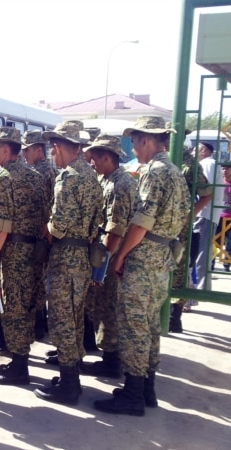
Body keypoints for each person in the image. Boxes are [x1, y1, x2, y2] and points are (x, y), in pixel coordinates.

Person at [94, 116, 189, 416]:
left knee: (134, 327)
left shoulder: (154, 172)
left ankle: (133, 394)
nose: (132, 148)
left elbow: (142, 222)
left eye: (134, 142)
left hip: (144, 259)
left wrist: (120, 256)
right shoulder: (174, 172)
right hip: (162, 259)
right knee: (149, 327)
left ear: (146, 140)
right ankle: (147, 389)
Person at [33, 121, 102, 406]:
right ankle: (69, 378)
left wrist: (45, 233)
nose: (51, 151)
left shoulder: (69, 177)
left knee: (61, 320)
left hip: (65, 258)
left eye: (53, 147)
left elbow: (58, 224)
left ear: (61, 147)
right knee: (73, 319)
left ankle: (69, 386)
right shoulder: (91, 175)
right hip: (83, 256)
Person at [0, 127, 47, 385]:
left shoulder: (4, 179)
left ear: (6, 149)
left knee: (14, 307)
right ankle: (21, 359)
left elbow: (2, 224)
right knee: (28, 304)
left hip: (15, 250)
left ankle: (19, 367)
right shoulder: (35, 176)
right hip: (34, 249)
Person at [80, 135, 137, 379]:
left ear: (107, 156)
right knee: (103, 306)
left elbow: (114, 230)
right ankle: (108, 355)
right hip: (111, 252)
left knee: (108, 307)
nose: (91, 162)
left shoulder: (117, 185)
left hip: (112, 255)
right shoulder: (109, 180)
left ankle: (112, 361)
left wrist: (100, 267)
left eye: (94, 157)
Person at [169, 144, 211, 332]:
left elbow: (207, 193)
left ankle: (173, 316)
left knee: (178, 268)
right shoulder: (160, 159)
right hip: (162, 224)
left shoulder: (190, 165)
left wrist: (191, 215)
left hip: (180, 227)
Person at [21, 130, 57, 341]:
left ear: (37, 149)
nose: (24, 154)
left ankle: (37, 325)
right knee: (37, 282)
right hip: (42, 234)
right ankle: (39, 324)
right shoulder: (42, 170)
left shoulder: (41, 172)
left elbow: (45, 208)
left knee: (35, 282)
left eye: (27, 150)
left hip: (39, 234)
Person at [191, 141, 223, 304]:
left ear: (204, 150)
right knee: (202, 251)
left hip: (204, 213)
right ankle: (201, 287)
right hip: (207, 213)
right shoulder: (211, 163)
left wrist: (193, 212)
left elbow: (205, 190)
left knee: (199, 252)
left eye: (197, 148)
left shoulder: (207, 164)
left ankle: (198, 290)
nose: (194, 151)